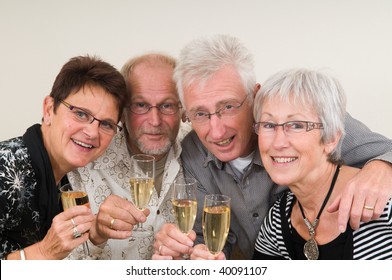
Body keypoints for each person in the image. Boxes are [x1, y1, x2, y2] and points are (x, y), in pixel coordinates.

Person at [153, 34, 392, 260]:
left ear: (255, 95)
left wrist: (381, 168)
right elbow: (210, 239)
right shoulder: (278, 220)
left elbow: (385, 150)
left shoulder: (311, 113)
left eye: (228, 107)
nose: (216, 131)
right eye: (201, 113)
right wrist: (191, 251)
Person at [252, 68, 392, 259]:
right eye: (268, 125)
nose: (278, 143)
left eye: (296, 125)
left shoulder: (384, 203)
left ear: (331, 139)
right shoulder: (277, 221)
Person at [0, 55, 128, 260]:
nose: (92, 133)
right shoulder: (5, 169)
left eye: (106, 124)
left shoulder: (71, 178)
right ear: (49, 109)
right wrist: (44, 252)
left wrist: (96, 236)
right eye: (81, 114)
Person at [66, 53, 192, 259]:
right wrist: (95, 236)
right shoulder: (84, 161)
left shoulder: (200, 148)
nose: (155, 121)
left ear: (182, 109)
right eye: (141, 105)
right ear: (122, 111)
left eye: (167, 105)